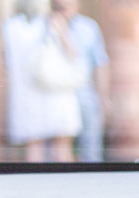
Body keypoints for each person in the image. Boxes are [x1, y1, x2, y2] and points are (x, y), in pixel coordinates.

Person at [1, 0, 84, 162]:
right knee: (61, 150)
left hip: (27, 97)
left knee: (34, 149)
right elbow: (74, 54)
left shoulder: (10, 27)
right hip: (56, 93)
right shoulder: (52, 22)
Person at [53, 0, 110, 163]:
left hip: (84, 95)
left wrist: (103, 97)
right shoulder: (46, 25)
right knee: (60, 150)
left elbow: (100, 64)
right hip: (57, 96)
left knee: (90, 148)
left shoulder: (88, 27)